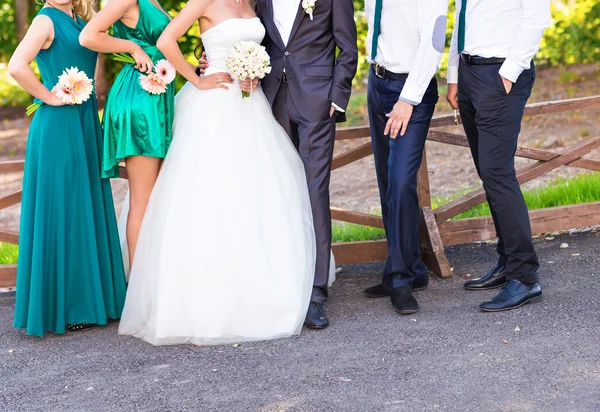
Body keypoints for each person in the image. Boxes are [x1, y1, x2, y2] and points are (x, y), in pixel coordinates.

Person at [117, 0, 318, 346]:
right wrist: (197, 77)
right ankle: (205, 300)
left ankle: (259, 288)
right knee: (211, 196)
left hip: (250, 105)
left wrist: (254, 74)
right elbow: (167, 40)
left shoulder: (252, 2)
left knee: (258, 194)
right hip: (213, 105)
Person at [200, 0, 358, 329]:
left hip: (317, 101)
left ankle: (315, 293)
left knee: (314, 192)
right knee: (275, 191)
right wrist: (216, 58)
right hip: (269, 98)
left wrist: (338, 95)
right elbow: (253, 36)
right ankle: (282, 282)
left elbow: (348, 46)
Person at [9, 0, 126, 336]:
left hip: (85, 120)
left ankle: (95, 298)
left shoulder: (79, 17)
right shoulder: (46, 20)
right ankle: (69, 305)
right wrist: (47, 96)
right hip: (58, 125)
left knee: (85, 201)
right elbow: (17, 66)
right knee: (66, 207)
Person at [446, 0, 550, 311]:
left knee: (497, 172)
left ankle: (525, 276)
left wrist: (508, 74)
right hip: (469, 73)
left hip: (501, 74)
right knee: (487, 172)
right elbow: (462, 18)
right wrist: (453, 73)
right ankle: (507, 262)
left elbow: (536, 18)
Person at [79, 0, 191, 268]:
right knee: (143, 197)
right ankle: (139, 285)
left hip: (157, 97)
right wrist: (132, 47)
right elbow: (88, 36)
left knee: (157, 193)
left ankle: (155, 274)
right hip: (139, 98)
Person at [361, 0, 448, 315]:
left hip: (412, 90)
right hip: (378, 83)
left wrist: (407, 100)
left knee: (400, 181)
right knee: (387, 182)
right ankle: (411, 266)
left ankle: (400, 281)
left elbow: (434, 41)